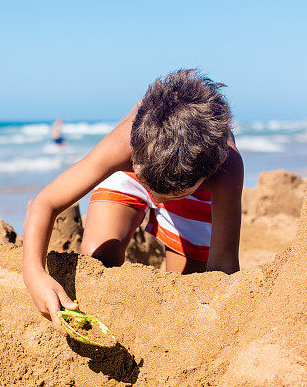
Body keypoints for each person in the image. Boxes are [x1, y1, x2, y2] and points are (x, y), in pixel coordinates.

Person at [22, 69, 244, 331]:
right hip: (138, 169)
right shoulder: (125, 147)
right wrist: (33, 274)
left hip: (193, 182)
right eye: (152, 191)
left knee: (189, 290)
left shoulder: (225, 169)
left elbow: (224, 268)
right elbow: (45, 202)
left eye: (167, 197)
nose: (157, 201)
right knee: (96, 261)